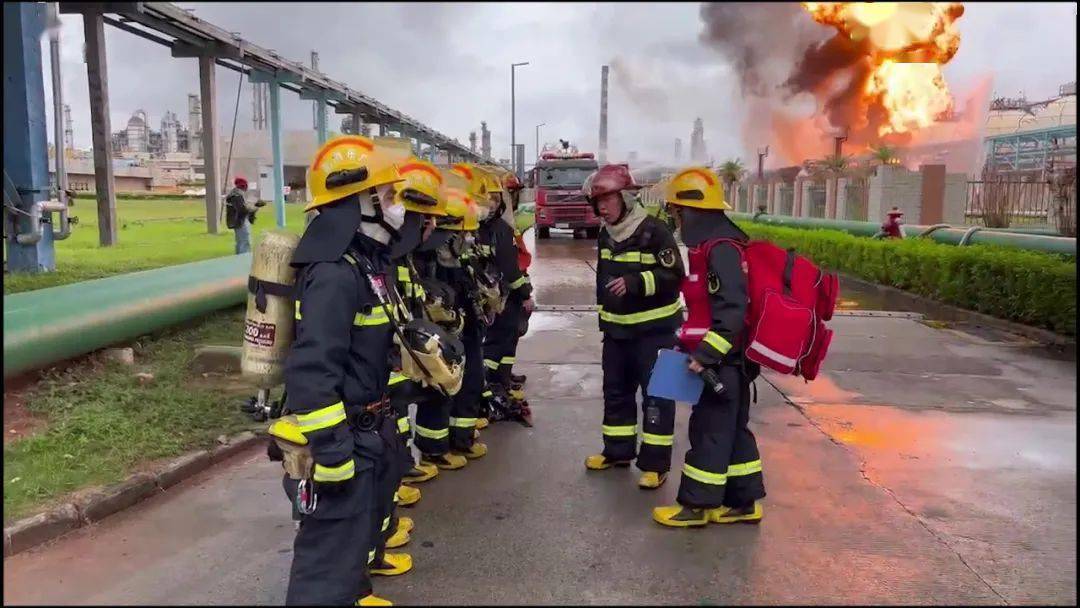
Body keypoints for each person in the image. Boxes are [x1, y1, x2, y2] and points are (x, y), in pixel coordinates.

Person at [279, 135, 435, 605]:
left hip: (368, 428)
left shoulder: (365, 265)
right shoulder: (334, 275)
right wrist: (332, 453)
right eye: (387, 197)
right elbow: (312, 372)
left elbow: (367, 356)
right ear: (356, 202)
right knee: (326, 562)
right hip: (342, 438)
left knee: (351, 551)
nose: (397, 208)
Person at [652, 166, 765, 528]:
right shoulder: (718, 245)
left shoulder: (721, 251)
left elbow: (732, 310)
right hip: (730, 360)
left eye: (676, 212)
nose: (675, 219)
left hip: (723, 363)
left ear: (693, 211)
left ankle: (697, 506)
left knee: (709, 429)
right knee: (733, 431)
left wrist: (706, 356)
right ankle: (744, 503)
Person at [583, 164, 685, 490]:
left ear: (625, 197)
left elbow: (675, 277)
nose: (602, 207)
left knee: (658, 399)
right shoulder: (606, 233)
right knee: (615, 394)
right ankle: (617, 452)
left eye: (608, 199)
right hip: (617, 333)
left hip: (658, 333)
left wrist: (636, 282)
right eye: (598, 201)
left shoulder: (656, 231)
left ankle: (656, 465)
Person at [477, 167, 535, 426]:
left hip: (500, 292)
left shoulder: (504, 223)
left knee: (508, 339)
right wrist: (524, 292)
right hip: (500, 294)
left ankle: (502, 379)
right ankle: (492, 386)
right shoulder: (497, 227)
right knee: (496, 342)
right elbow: (508, 264)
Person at [225, 176, 265, 254]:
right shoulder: (236, 196)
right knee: (244, 241)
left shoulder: (236, 194)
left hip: (238, 221)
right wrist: (256, 207)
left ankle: (239, 258)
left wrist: (255, 206)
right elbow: (242, 210)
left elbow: (243, 207)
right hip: (240, 221)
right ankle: (243, 259)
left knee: (240, 242)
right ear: (243, 186)